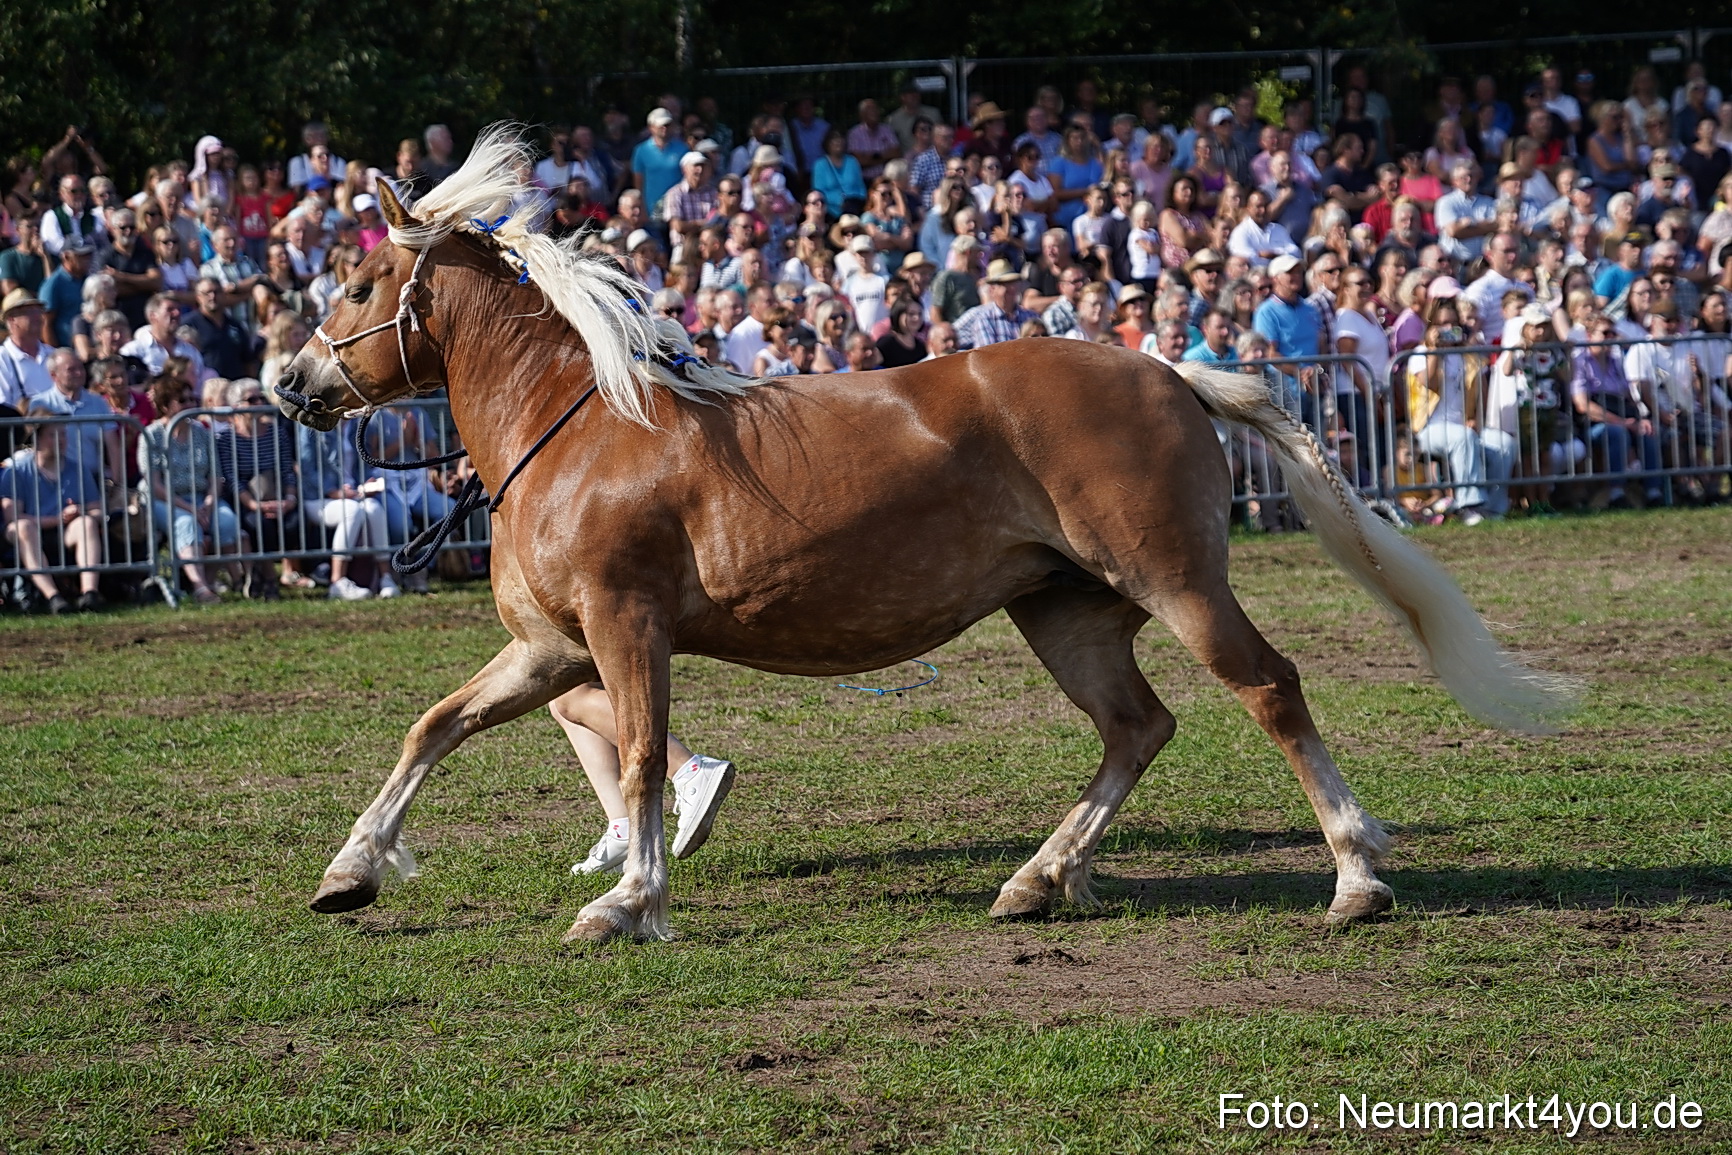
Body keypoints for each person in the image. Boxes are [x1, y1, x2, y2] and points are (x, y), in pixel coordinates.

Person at [1404, 298, 1517, 523]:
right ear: (1431, 326)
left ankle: (1494, 509)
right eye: (1442, 323)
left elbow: (1481, 396)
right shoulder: (1420, 353)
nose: (1448, 329)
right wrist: (1435, 351)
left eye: (1453, 323)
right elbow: (1430, 384)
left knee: (1504, 443)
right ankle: (1469, 506)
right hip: (1428, 429)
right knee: (1463, 438)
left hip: (1463, 427)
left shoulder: (1468, 356)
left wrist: (1476, 419)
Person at [137, 373, 243, 603]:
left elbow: (216, 475)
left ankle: (239, 580)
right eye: (182, 401)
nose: (190, 405)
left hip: (201, 497)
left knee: (225, 520)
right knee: (186, 523)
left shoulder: (201, 432)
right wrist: (189, 508)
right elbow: (154, 485)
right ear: (166, 405)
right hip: (163, 500)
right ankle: (200, 587)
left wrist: (208, 503)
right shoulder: (152, 435)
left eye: (192, 399)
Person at [1, 402, 108, 612]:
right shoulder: (16, 472)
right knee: (23, 527)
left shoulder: (78, 469)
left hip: (65, 532)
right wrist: (58, 519)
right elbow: (12, 516)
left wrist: (80, 512)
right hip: (28, 533)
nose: (61, 440)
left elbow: (98, 510)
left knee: (86, 523)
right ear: (37, 439)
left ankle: (89, 593)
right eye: (53, 435)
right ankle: (54, 597)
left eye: (63, 434)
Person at [1573, 312, 1662, 507]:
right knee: (1617, 433)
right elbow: (1583, 405)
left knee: (1647, 430)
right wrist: (1622, 422)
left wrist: (1642, 417)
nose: (1610, 338)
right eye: (1605, 333)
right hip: (1593, 424)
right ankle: (1616, 492)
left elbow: (1629, 397)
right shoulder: (1580, 362)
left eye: (1613, 333)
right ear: (1590, 336)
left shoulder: (1615, 362)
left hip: (1621, 416)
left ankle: (1654, 491)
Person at [954, 259, 1034, 349]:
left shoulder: (1030, 317)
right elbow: (990, 356)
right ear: (992, 289)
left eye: (1013, 282)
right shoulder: (984, 318)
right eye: (1004, 284)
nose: (1011, 288)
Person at [0, 289, 55, 410]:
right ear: (11, 319)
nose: (38, 317)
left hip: (59, 427)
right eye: (29, 312)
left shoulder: (53, 354)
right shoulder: (2, 358)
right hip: (20, 427)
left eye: (38, 311)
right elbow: (4, 406)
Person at [811, 128, 866, 219]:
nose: (838, 142)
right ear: (827, 143)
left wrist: (860, 201)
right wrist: (839, 201)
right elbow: (818, 192)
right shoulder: (820, 165)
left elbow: (861, 186)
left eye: (840, 139)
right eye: (834, 140)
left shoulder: (852, 161)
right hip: (832, 211)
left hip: (855, 208)